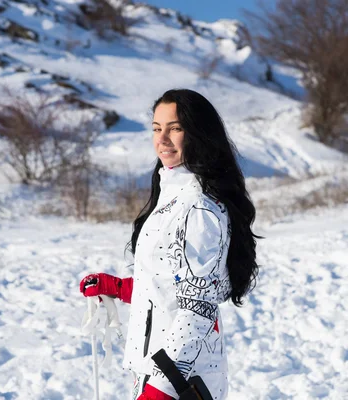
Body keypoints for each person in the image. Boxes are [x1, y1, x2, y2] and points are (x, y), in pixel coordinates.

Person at [79, 89, 260, 400]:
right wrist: (122, 288)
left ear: (198, 134)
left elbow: (197, 309)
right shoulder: (171, 193)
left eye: (175, 128)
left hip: (180, 381)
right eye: (156, 128)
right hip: (158, 370)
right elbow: (173, 284)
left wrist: (160, 390)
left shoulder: (198, 209)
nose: (162, 139)